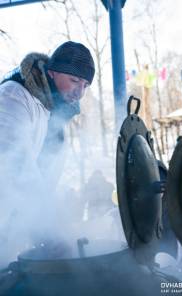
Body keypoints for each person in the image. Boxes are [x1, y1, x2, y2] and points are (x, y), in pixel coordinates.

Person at [0, 41, 95, 266]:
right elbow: (14, 164)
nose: (79, 92)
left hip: (12, 229)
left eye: (85, 85)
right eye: (74, 80)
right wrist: (50, 229)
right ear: (51, 73)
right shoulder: (13, 97)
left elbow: (45, 178)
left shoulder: (53, 114)